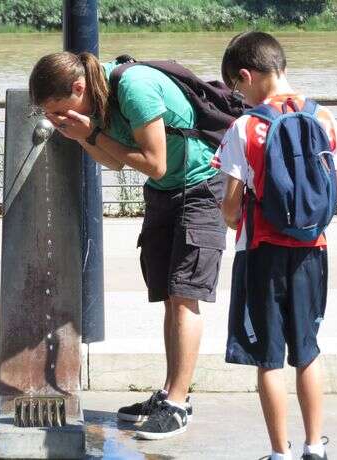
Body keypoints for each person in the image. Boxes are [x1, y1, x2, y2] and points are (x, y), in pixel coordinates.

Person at [29, 51, 229, 439]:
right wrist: (85, 135)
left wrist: (93, 133)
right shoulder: (99, 96)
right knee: (170, 296)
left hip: (202, 187)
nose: (54, 119)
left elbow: (153, 162)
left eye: (56, 110)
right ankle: (172, 393)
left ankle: (177, 404)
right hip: (166, 191)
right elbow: (117, 163)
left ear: (77, 88)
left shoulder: (134, 88)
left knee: (185, 295)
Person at [215, 32, 337, 460]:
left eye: (238, 87)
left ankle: (279, 453)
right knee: (307, 351)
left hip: (261, 254)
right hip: (313, 249)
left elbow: (232, 208)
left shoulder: (245, 126)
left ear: (247, 75)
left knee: (269, 358)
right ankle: (314, 447)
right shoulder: (324, 117)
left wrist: (235, 213)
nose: (239, 95)